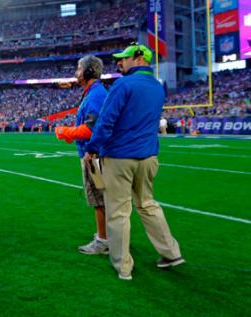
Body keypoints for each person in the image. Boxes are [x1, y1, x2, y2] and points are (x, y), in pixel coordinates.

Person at [83, 43, 184, 280]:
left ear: (138, 58)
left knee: (118, 212)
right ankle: (171, 252)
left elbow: (106, 121)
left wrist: (92, 149)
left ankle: (122, 266)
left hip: (120, 157)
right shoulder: (158, 87)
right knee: (148, 204)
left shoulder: (123, 84)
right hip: (148, 156)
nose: (119, 62)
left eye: (124, 58)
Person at [55, 55, 108, 255]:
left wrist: (65, 132)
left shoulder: (95, 95)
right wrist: (72, 134)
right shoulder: (93, 93)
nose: (76, 73)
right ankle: (110, 237)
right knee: (102, 199)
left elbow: (90, 129)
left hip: (94, 156)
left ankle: (103, 240)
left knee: (99, 200)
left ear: (88, 71)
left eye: (78, 69)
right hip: (94, 153)